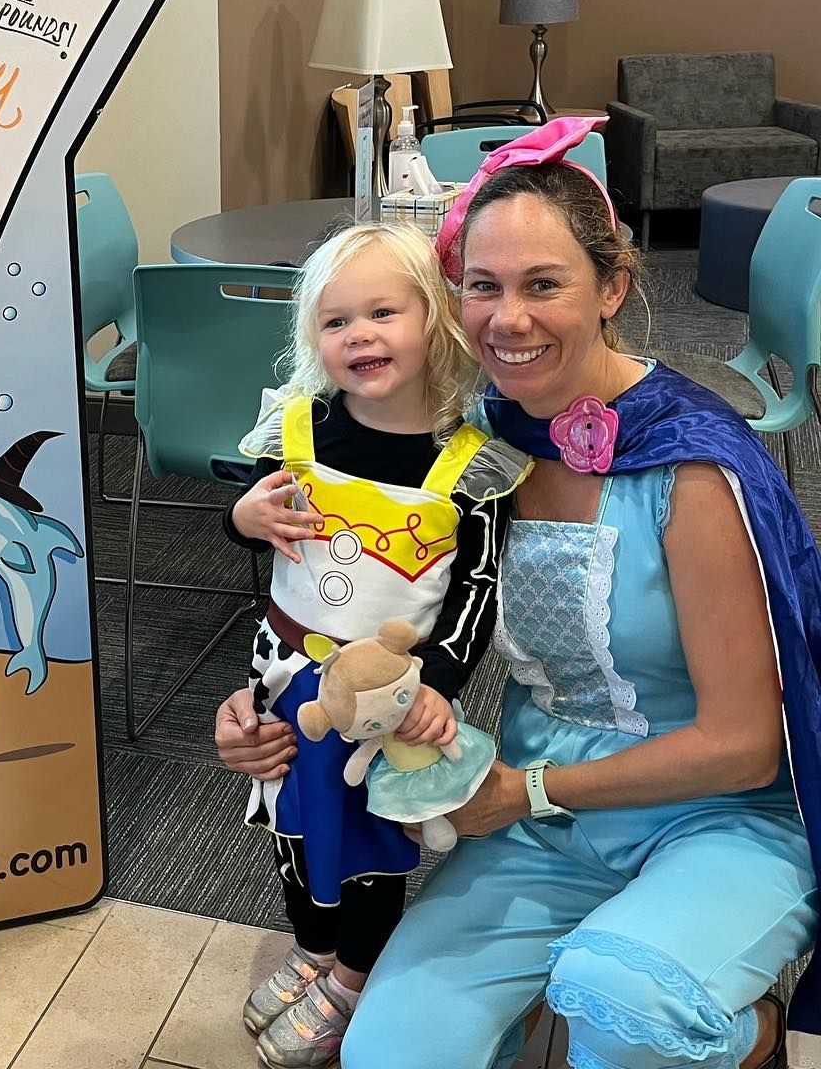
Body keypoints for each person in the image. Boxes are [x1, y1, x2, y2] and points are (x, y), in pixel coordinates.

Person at [216, 123, 821, 1069]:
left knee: (621, 1006)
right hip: (539, 824)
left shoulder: (694, 466)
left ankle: (746, 1037)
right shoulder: (463, 451)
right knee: (390, 1058)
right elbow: (351, 615)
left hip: (714, 816)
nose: (507, 319)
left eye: (544, 284)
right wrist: (272, 712)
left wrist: (525, 790)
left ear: (613, 286)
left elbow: (746, 748)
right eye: (482, 287)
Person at [222, 222, 528, 1069]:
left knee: (371, 845)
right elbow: (263, 521)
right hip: (283, 671)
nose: (358, 335)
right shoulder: (299, 427)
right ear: (312, 338)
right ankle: (313, 950)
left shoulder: (472, 463)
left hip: (391, 700)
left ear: (434, 319)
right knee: (290, 825)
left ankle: (354, 975)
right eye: (335, 321)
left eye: (383, 312)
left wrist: (437, 681)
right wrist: (242, 517)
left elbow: (475, 594)